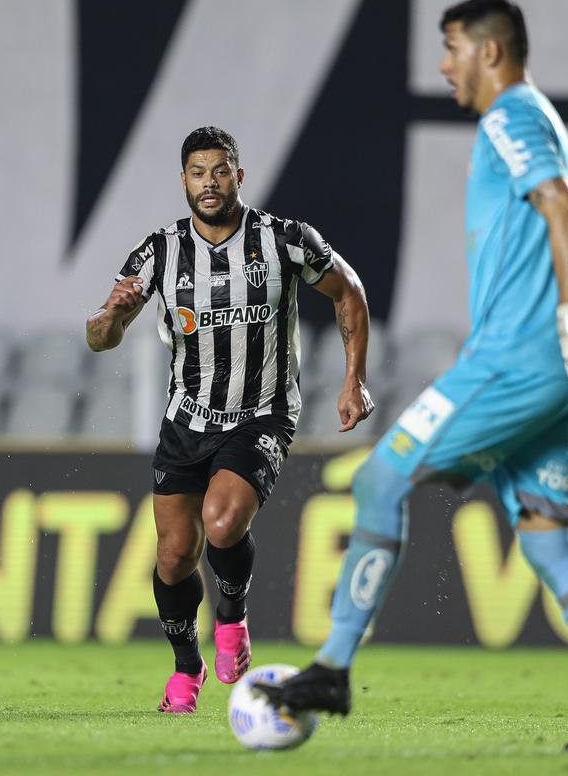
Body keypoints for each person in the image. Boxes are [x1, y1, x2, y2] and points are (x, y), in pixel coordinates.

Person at [257, 0, 568, 752]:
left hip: (515, 362)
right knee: (547, 543)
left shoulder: (511, 117)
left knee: (380, 480)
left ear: (488, 51)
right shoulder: (529, 117)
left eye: (451, 47)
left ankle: (332, 667)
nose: (443, 64)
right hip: (550, 375)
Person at [86, 126, 374, 713]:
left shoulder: (285, 240)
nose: (210, 183)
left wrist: (353, 378)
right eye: (198, 173)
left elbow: (349, 294)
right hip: (186, 418)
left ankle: (233, 614)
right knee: (173, 556)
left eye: (221, 171)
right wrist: (107, 318)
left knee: (221, 524)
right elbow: (103, 339)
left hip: (260, 413)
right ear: (184, 181)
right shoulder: (158, 252)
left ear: (239, 176)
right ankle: (185, 668)